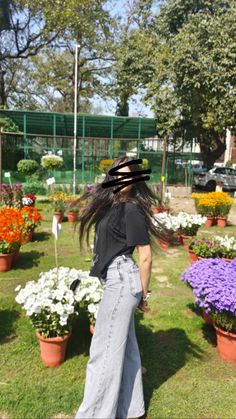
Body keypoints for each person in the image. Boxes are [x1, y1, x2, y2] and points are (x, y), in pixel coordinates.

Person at [72, 156, 169, 419]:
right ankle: (133, 408)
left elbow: (145, 256)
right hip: (117, 279)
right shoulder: (113, 204)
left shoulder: (131, 209)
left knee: (102, 354)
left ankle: (94, 415)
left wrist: (143, 295)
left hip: (122, 281)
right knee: (125, 350)